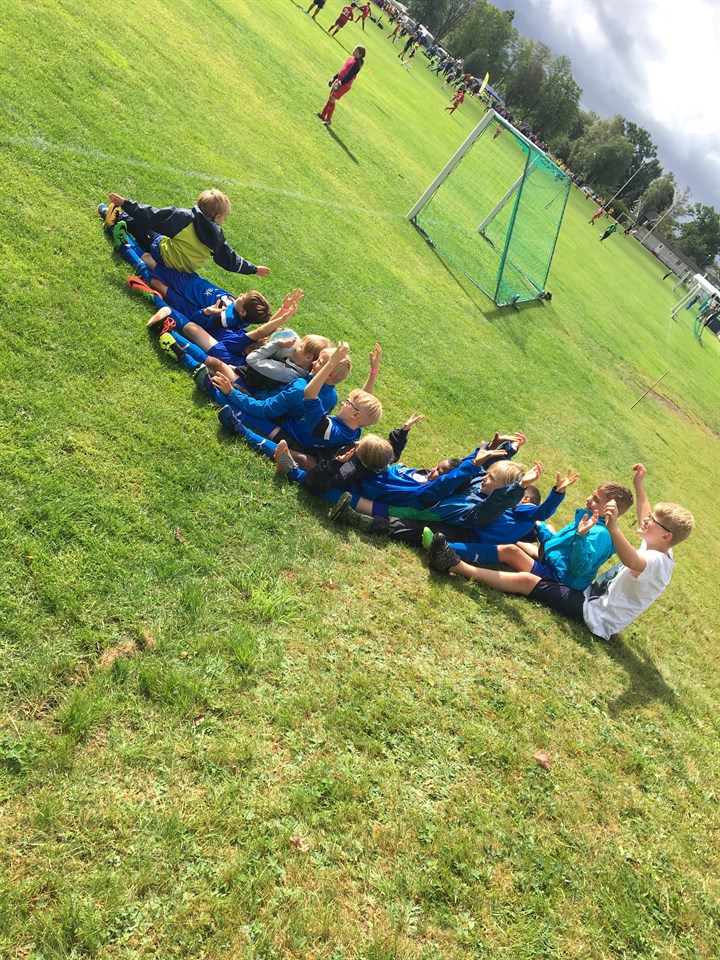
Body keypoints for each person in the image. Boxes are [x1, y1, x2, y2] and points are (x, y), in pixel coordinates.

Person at [426, 465, 694, 641]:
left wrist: (612, 527)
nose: (645, 520)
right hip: (586, 593)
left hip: (595, 616)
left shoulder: (656, 562)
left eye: (652, 522)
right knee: (519, 548)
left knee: (527, 581)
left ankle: (455, 565)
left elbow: (631, 560)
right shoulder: (657, 545)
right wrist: (639, 484)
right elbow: (646, 514)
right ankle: (456, 547)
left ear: (666, 536)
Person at [218, 343, 383, 469]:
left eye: (320, 362)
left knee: (220, 368)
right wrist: (373, 372)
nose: (315, 363)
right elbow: (361, 404)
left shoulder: (302, 390)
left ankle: (209, 382)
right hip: (290, 422)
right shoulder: (349, 423)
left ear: (328, 372)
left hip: (283, 427)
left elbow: (265, 409)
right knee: (226, 370)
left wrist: (232, 393)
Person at [103, 190, 270, 280]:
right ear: (218, 217)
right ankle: (119, 219)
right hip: (183, 270)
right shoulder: (217, 238)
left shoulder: (184, 218)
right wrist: (254, 269)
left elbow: (151, 215)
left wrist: (126, 204)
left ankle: (117, 217)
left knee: (149, 230)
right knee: (156, 233)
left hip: (164, 257)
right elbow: (231, 260)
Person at [316, 46, 365, 127]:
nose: (354, 51)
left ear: (360, 55)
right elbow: (342, 70)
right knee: (331, 97)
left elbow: (349, 76)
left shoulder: (356, 64)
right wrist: (334, 78)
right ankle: (322, 115)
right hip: (339, 81)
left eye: (356, 51)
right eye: (355, 49)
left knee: (332, 99)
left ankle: (328, 120)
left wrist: (340, 83)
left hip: (344, 85)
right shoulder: (350, 59)